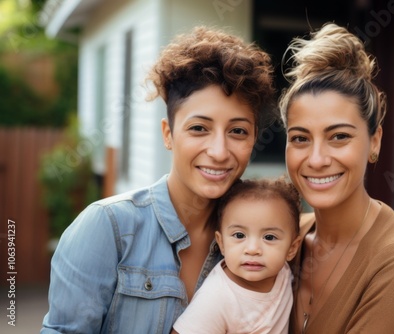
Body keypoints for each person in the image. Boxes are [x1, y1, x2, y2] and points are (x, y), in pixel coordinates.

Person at [41, 26, 276, 333]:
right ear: (168, 133)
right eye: (199, 129)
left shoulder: (258, 239)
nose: (219, 152)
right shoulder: (108, 229)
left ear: (253, 138)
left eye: (237, 131)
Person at [279, 23, 394, 333]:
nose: (316, 159)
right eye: (300, 138)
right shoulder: (287, 238)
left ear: (375, 141)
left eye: (339, 136)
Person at [172, 178, 302, 334]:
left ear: (291, 249)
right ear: (221, 243)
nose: (253, 249)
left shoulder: (283, 273)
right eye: (239, 235)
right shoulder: (216, 299)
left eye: (269, 237)